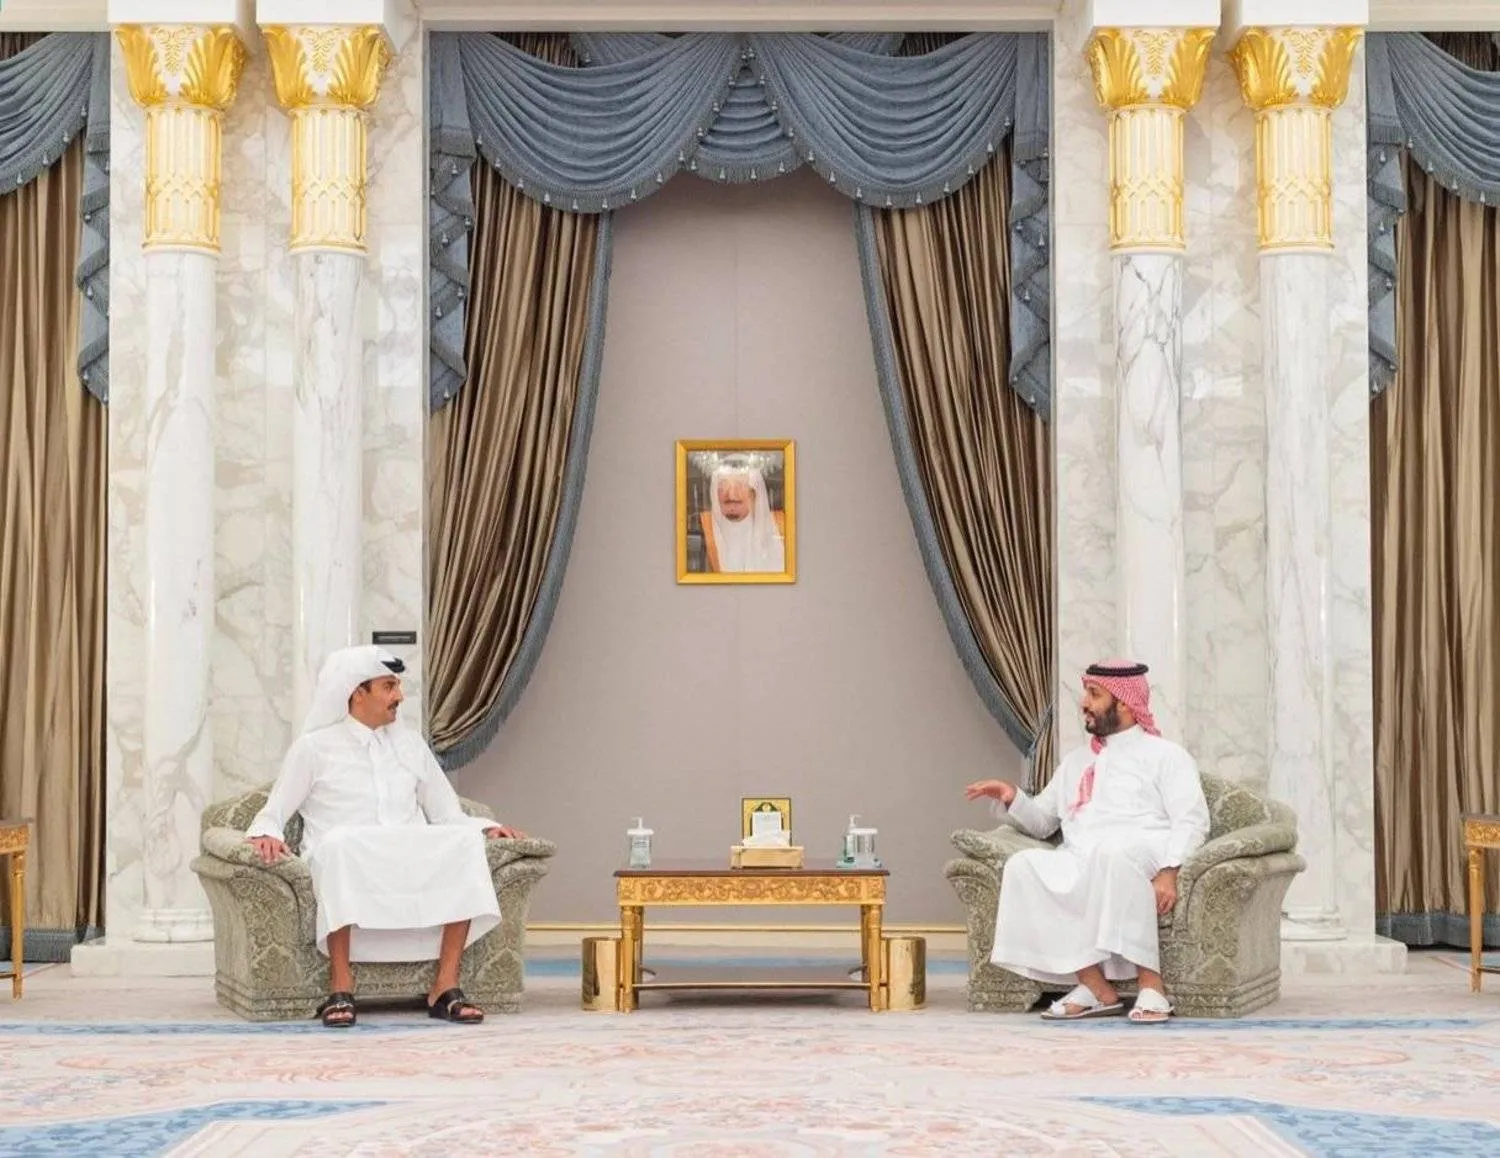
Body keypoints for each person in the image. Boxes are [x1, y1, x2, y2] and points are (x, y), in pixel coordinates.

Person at [244, 645, 525, 1028]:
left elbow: (445, 812)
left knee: (464, 842)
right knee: (341, 845)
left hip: (408, 849)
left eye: (397, 686)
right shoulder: (314, 747)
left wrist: (485, 829)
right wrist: (266, 833)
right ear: (357, 692)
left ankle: (445, 986)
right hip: (347, 852)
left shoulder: (410, 744)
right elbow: (274, 810)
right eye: (389, 686)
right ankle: (341, 987)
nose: (399, 696)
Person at [964, 660, 1209, 1024]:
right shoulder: (1076, 762)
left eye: (1094, 694)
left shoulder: (1166, 757)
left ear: (1124, 703)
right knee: (1024, 865)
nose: (1084, 703)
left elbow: (1192, 820)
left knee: (1112, 854)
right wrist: (1011, 796)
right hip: (1082, 854)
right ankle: (1097, 990)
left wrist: (1170, 870)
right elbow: (1044, 822)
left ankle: (1152, 986)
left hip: (1142, 850)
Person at [698, 463, 786, 573]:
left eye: (740, 485)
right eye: (723, 486)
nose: (731, 495)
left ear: (754, 493)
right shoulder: (703, 528)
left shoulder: (782, 526)